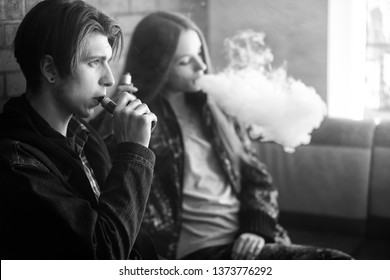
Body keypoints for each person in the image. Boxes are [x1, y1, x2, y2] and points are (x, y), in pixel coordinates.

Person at [91, 11, 351, 260]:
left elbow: (257, 178)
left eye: (199, 54)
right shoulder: (136, 121)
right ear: (157, 66)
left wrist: (255, 228)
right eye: (185, 61)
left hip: (248, 242)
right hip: (197, 252)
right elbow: (109, 178)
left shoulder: (218, 110)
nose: (201, 66)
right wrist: (117, 114)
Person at [0, 0, 158, 260]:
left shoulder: (81, 135)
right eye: (94, 62)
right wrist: (134, 151)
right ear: (50, 69)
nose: (108, 78)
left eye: (107, 61)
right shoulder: (19, 166)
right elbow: (104, 256)